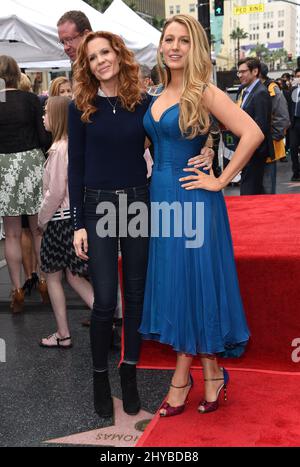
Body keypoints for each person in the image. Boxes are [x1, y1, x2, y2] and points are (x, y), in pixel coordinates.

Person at [68, 31, 213, 419]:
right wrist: (78, 223)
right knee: (103, 300)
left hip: (137, 202)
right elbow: (75, 167)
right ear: (87, 64)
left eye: (105, 52)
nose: (100, 60)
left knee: (135, 297)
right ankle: (100, 377)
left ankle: (129, 373)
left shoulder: (142, 104)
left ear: (119, 54)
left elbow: (181, 130)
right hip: (97, 206)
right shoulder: (79, 105)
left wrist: (209, 147)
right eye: (92, 56)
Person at [139, 15, 263, 417]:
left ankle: (183, 378)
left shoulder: (203, 90)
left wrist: (221, 180)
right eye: (168, 39)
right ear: (161, 46)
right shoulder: (154, 94)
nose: (174, 46)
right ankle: (210, 374)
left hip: (194, 199)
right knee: (179, 284)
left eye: (184, 41)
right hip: (161, 201)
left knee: (193, 282)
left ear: (195, 49)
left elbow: (252, 133)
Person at [38, 96, 94, 348]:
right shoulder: (68, 146)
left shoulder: (59, 149)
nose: (42, 117)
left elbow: (56, 191)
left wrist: (41, 218)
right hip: (69, 219)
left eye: (46, 112)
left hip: (59, 220)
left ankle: (63, 332)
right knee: (73, 275)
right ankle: (112, 316)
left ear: (58, 117)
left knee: (52, 275)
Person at [0, 55, 48, 312]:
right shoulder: (31, 100)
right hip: (31, 162)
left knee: (12, 234)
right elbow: (43, 136)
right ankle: (43, 280)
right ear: (17, 74)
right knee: (38, 228)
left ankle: (17, 289)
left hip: (3, 166)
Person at [236, 58, 274, 195]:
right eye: (238, 72)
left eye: (243, 72)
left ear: (255, 71)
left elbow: (261, 126)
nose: (240, 75)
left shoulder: (261, 93)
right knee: (252, 190)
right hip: (247, 151)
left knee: (249, 192)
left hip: (254, 152)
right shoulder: (245, 91)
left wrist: (248, 151)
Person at [260, 63, 290, 194]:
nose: (241, 75)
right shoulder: (249, 89)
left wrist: (273, 137)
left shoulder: (272, 89)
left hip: (268, 146)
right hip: (254, 147)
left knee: (267, 188)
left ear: (256, 72)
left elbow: (283, 117)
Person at [289, 68, 300, 181]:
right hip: (294, 123)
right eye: (297, 76)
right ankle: (296, 172)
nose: (298, 78)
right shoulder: (293, 89)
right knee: (293, 148)